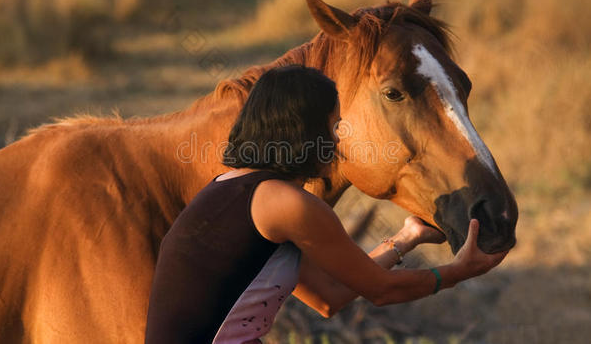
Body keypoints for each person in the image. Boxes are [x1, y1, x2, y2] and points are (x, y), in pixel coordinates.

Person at [144, 65, 508, 344]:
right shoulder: (284, 203)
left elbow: (329, 296)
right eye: (334, 128)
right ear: (305, 133)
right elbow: (381, 290)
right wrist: (458, 272)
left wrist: (405, 238)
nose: (337, 143)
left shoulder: (231, 187)